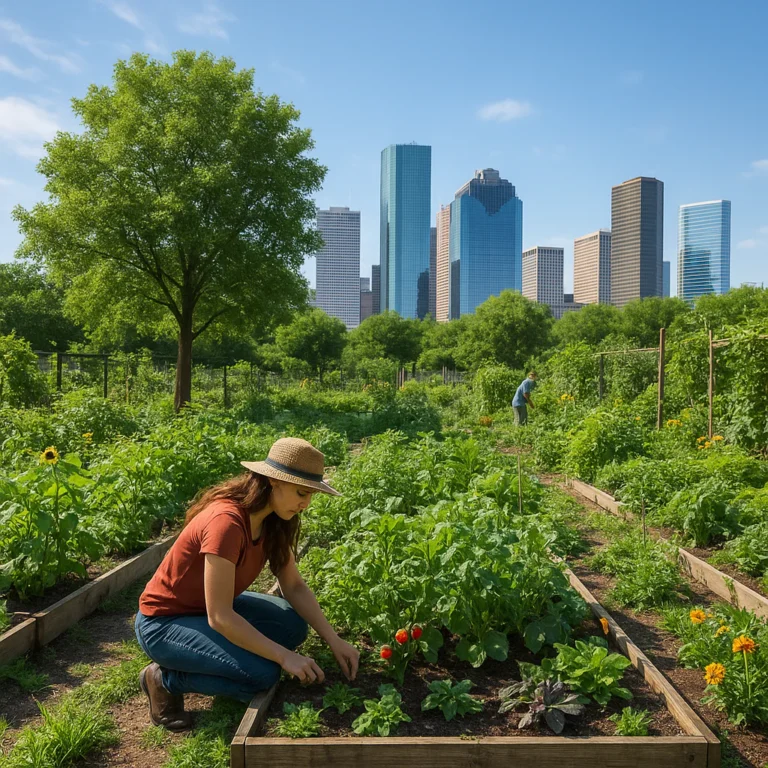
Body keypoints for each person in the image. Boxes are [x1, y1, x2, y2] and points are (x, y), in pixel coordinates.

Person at [134, 437, 359, 731]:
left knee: (292, 626)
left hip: (205, 610)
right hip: (164, 623)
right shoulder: (226, 523)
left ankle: (216, 657)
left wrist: (333, 639)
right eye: (302, 492)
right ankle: (164, 679)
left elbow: (294, 586)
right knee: (262, 675)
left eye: (311, 495)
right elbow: (220, 617)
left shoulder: (274, 521)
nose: (306, 503)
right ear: (273, 481)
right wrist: (284, 657)